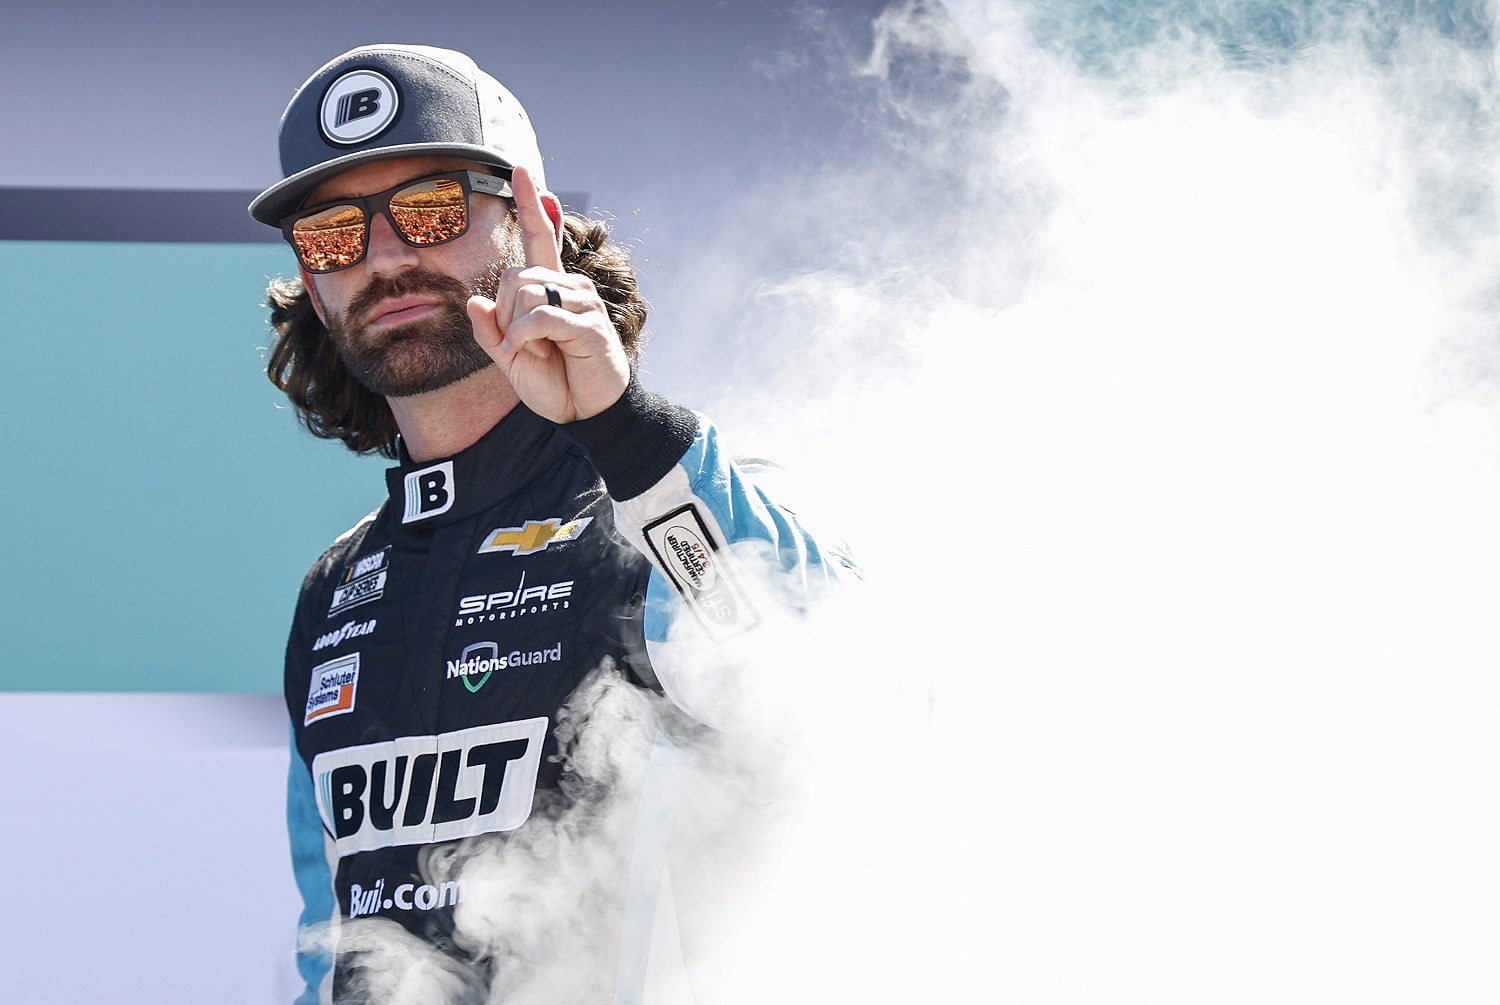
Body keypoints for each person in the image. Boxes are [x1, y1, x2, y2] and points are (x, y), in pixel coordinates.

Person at [249, 44, 851, 1004]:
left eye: (431, 209)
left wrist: (623, 427)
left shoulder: (656, 501)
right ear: (312, 285)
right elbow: (332, 951)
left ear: (536, 230)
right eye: (332, 235)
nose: (387, 255)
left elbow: (847, 698)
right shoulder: (333, 592)